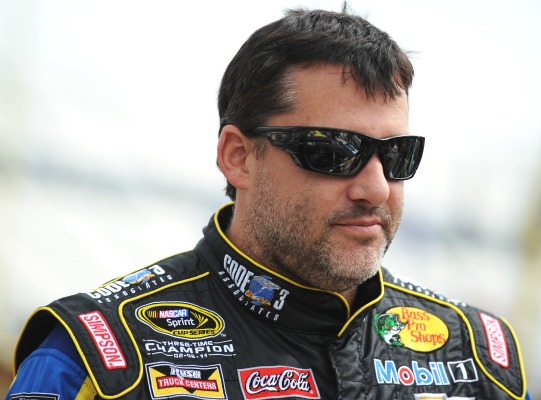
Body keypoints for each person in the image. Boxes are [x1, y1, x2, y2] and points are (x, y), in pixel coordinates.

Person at [6, 7, 529, 400]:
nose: (374, 188)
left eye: (397, 155)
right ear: (238, 158)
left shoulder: (478, 356)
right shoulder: (99, 354)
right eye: (332, 151)